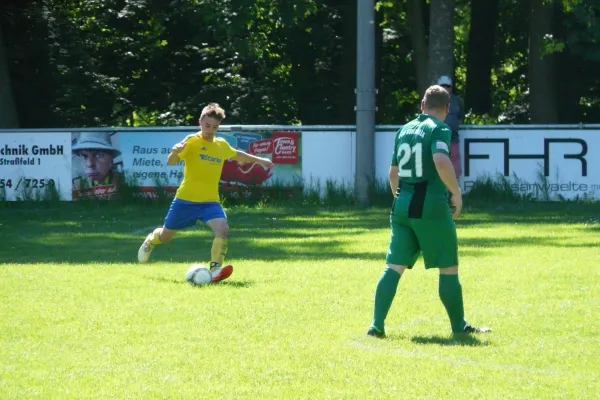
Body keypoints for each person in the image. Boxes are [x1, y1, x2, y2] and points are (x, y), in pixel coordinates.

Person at [367, 85, 490, 338]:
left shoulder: (404, 130)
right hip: (431, 206)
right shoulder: (440, 129)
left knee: (393, 267)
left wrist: (398, 196)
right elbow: (441, 160)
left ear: (422, 105)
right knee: (448, 268)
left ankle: (376, 326)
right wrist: (456, 192)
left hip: (402, 206)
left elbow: (393, 173)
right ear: (447, 109)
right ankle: (459, 327)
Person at [137, 103, 274, 283]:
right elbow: (171, 162)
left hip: (210, 202)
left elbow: (237, 155)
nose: (210, 130)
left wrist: (261, 161)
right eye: (207, 125)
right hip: (185, 200)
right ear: (200, 122)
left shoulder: (221, 145)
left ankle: (215, 269)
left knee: (223, 230)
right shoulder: (191, 141)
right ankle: (152, 240)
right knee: (166, 237)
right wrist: (174, 152)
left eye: (215, 127)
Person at [437, 76, 464, 179]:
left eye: (447, 86)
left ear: (451, 87)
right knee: (440, 163)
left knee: (455, 163)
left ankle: (455, 191)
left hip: (453, 137)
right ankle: (440, 190)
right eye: (442, 86)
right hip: (439, 138)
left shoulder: (457, 100)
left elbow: (461, 116)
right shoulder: (433, 101)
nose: (445, 88)